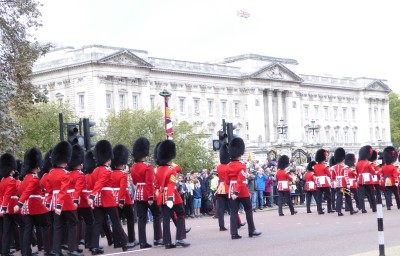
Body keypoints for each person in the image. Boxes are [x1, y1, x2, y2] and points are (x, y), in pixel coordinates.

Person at [88, 140, 135, 254]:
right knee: (116, 221)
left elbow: (92, 184)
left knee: (98, 223)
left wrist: (93, 195)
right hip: (107, 199)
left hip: (99, 200)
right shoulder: (106, 171)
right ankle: (124, 243)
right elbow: (100, 183)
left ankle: (94, 246)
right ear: (107, 159)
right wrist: (92, 196)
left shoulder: (95, 171)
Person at [44, 141, 83, 256]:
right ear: (65, 161)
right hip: (65, 202)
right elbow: (63, 190)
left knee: (57, 226)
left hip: (55, 202)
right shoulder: (66, 174)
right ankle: (72, 249)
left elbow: (49, 191)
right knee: (74, 223)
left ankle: (56, 251)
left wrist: (49, 204)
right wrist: (60, 205)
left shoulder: (50, 174)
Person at [14, 148, 53, 256]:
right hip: (36, 206)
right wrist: (19, 204)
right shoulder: (34, 178)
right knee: (47, 225)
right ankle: (48, 250)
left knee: (28, 229)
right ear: (36, 166)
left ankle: (26, 252)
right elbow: (27, 192)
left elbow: (21, 191)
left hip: (27, 209)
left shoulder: (25, 178)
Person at [155, 139, 190, 249]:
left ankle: (167, 242)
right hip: (172, 196)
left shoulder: (157, 169)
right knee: (181, 214)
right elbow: (171, 184)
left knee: (165, 219)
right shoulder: (171, 169)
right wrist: (170, 198)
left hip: (161, 195)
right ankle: (179, 239)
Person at [226, 137, 261, 239]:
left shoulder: (228, 166)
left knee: (233, 212)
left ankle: (234, 233)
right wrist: (236, 191)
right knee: (249, 209)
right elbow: (240, 179)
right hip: (241, 190)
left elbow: (227, 181)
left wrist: (233, 190)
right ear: (240, 153)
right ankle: (252, 230)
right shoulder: (242, 166)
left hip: (231, 189)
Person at [130, 137, 163, 249]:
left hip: (138, 194)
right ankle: (158, 238)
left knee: (142, 218)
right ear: (145, 154)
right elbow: (149, 182)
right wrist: (150, 196)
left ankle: (142, 242)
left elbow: (134, 182)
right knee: (157, 214)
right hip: (148, 194)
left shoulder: (133, 167)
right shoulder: (147, 167)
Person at [110, 144, 138, 248]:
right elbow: (123, 187)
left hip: (114, 198)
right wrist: (121, 200)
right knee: (130, 218)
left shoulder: (111, 173)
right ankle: (131, 239)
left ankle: (117, 241)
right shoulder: (123, 174)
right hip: (124, 199)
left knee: (116, 220)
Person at [0, 153, 25, 256]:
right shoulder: (12, 181)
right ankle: (25, 248)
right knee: (25, 226)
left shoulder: (2, 182)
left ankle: (5, 252)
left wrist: (3, 208)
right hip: (13, 207)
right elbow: (12, 193)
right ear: (11, 169)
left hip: (5, 209)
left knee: (6, 230)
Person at [331, 148, 357, 216]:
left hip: (337, 184)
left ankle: (339, 211)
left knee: (339, 198)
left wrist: (334, 184)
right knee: (348, 197)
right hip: (344, 184)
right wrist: (348, 183)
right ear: (343, 159)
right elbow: (346, 176)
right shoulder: (345, 167)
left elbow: (332, 177)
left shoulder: (333, 167)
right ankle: (351, 210)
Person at [356, 145, 376, 213]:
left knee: (361, 196)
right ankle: (374, 207)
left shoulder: (357, 164)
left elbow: (357, 172)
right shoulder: (369, 163)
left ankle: (363, 209)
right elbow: (373, 172)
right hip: (369, 181)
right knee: (371, 194)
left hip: (361, 180)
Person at [314, 149, 334, 215]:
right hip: (325, 183)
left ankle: (319, 210)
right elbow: (329, 174)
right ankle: (329, 209)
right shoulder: (325, 166)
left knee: (319, 197)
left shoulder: (315, 166)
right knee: (328, 196)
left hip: (318, 182)